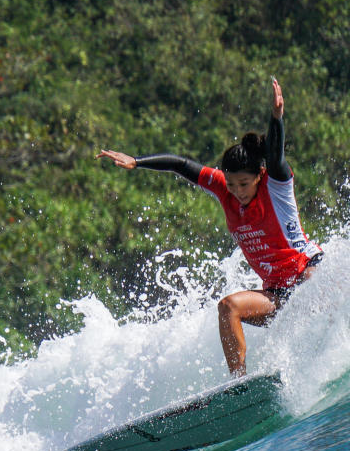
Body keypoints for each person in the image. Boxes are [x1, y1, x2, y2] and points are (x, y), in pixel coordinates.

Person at [98, 78, 322, 376]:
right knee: (229, 306)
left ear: (259, 175)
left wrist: (277, 118)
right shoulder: (224, 188)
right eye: (231, 184)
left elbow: (276, 155)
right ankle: (239, 384)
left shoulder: (276, 184)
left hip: (309, 272)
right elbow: (180, 164)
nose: (237, 191)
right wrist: (136, 161)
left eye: (244, 184)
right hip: (278, 292)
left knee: (311, 281)